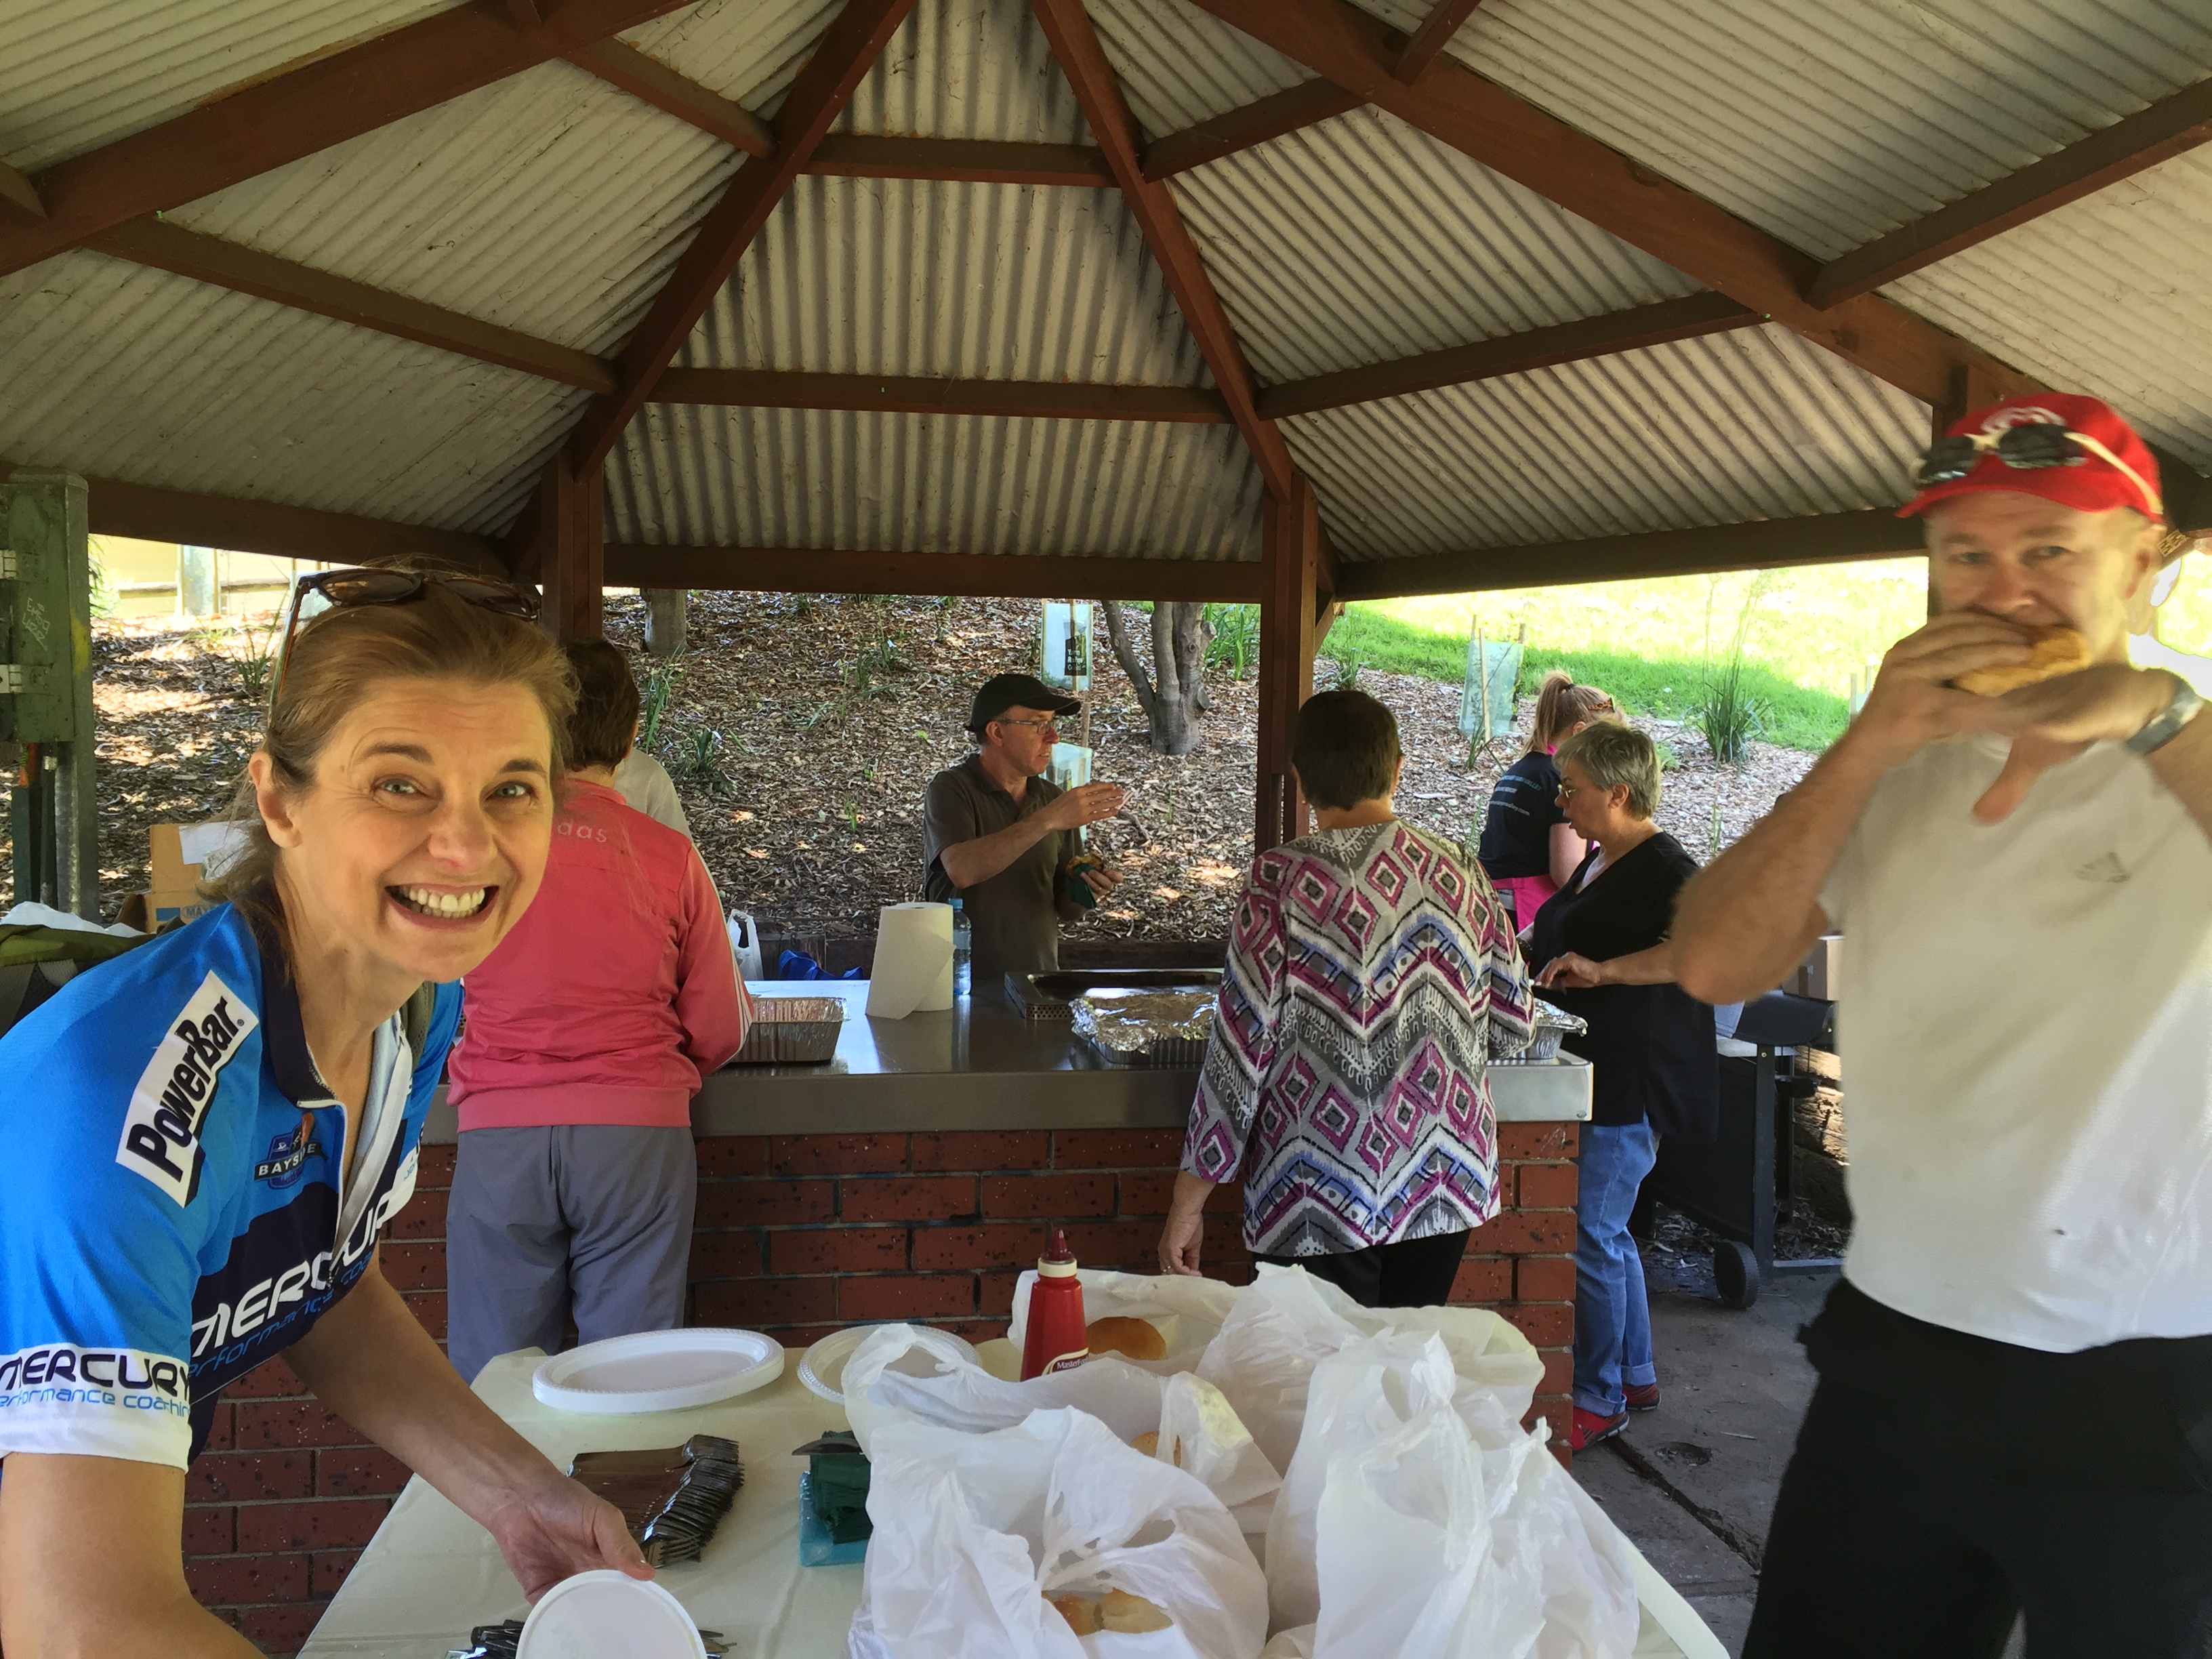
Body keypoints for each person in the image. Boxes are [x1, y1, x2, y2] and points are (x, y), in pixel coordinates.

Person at [0, 571, 653, 1656]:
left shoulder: (415, 1007)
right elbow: (81, 1628)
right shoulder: (132, 1106)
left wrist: (519, 1496)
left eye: (511, 789)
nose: (465, 847)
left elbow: (321, 1288)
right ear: (279, 802)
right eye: (400, 784)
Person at [1668, 392, 2212, 1658]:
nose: (2002, 588)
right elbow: (1709, 961)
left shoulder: (2189, 728)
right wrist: (1867, 743)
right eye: (1966, 553)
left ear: (2144, 560)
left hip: (2145, 1375)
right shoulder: (1908, 754)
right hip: (1897, 1350)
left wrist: (2148, 717)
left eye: (2048, 549)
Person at [1158, 687, 1535, 1309]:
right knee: (1404, 1359)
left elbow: (1241, 1050)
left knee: (1320, 1365)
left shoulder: (1280, 880)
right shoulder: (1463, 869)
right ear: (1397, 769)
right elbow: (1514, 1022)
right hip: (1446, 1175)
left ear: (1300, 777)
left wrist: (1187, 1202)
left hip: (1318, 1183)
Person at [443, 641, 750, 1382]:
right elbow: (721, 1025)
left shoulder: (479, 852)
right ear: (632, 732)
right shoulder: (670, 857)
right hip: (637, 1136)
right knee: (633, 1372)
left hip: (499, 1132)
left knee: (498, 1378)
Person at [1525, 720, 1717, 1452]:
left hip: (1634, 1077)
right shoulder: (1600, 860)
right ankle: (1634, 1372)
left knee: (1592, 1232)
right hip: (1594, 1069)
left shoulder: (1668, 869)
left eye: (1571, 789)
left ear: (1617, 792)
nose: (1561, 803)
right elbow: (1567, 933)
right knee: (1609, 1230)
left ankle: (1598, 1396)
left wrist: (1605, 972)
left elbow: (1703, 953)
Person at [923, 672, 1126, 981]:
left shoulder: (1052, 799)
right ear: (997, 732)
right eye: (1039, 725)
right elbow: (962, 870)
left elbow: (1067, 909)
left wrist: (1089, 889)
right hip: (959, 986)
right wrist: (1047, 819)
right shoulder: (952, 788)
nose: (1053, 737)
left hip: (1037, 984)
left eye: (1053, 724)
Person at [1477, 672, 1618, 927]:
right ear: (1579, 732)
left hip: (1488, 901)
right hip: (1525, 914)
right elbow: (1567, 872)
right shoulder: (1560, 781)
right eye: (1604, 744)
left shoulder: (1521, 770)